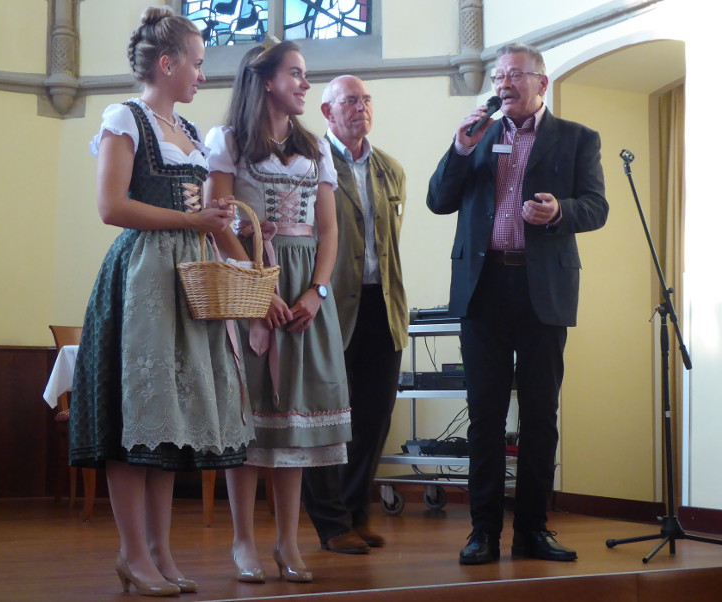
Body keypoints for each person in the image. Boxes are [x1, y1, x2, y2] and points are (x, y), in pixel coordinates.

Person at [69, 6, 254, 596]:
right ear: (168, 64)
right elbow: (111, 207)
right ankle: (133, 553)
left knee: (170, 423)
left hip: (189, 280)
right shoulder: (125, 117)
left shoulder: (194, 135)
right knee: (137, 420)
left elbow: (204, 217)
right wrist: (190, 217)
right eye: (197, 64)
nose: (202, 74)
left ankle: (162, 554)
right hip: (143, 277)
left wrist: (242, 255)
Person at [426, 43, 608, 565]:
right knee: (483, 416)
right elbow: (439, 200)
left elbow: (596, 206)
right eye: (498, 75)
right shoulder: (478, 134)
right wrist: (459, 149)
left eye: (514, 75)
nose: (503, 83)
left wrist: (558, 212)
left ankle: (532, 530)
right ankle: (482, 531)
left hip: (541, 291)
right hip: (482, 291)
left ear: (541, 83)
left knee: (540, 416)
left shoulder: (577, 139)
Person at [204, 38, 351, 584]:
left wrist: (316, 290)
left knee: (292, 422)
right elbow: (219, 222)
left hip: (305, 285)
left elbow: (330, 229)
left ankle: (289, 541)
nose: (305, 84)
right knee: (251, 419)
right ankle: (243, 541)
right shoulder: (229, 141)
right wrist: (255, 289)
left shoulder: (318, 149)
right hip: (252, 281)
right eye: (296, 73)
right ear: (265, 80)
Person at [301, 75, 408, 554]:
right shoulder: (309, 162)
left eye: (366, 100)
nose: (361, 107)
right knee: (325, 417)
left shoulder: (390, 169)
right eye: (350, 100)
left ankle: (356, 512)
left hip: (381, 307)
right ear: (327, 112)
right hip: (326, 306)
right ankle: (330, 523)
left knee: (373, 416)